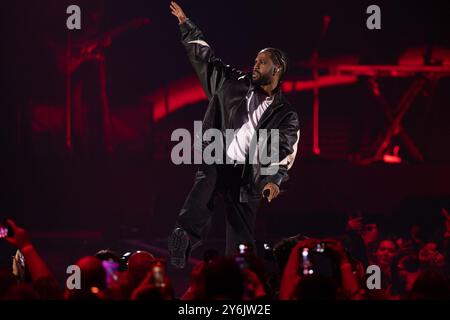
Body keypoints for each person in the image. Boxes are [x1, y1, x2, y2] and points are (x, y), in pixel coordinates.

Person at [167, 2, 300, 269]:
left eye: (262, 62)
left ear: (277, 69)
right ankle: (182, 238)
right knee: (202, 193)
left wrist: (273, 180)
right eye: (255, 60)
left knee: (241, 242)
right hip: (218, 158)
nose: (255, 65)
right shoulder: (231, 84)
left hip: (248, 175)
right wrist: (187, 26)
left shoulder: (286, 114)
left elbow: (285, 149)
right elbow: (205, 60)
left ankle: (239, 276)